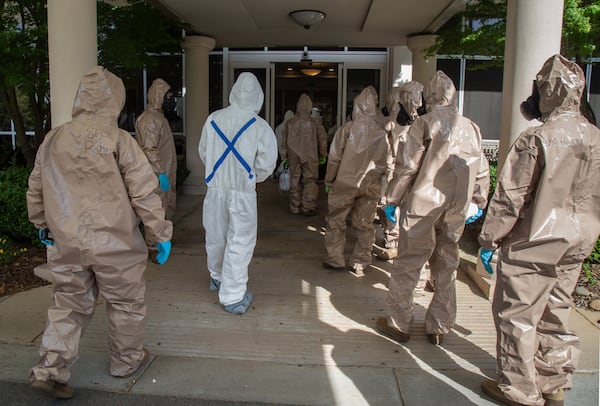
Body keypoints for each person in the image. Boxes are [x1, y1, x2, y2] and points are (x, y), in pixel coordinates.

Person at [26, 66, 173, 399]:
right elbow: (144, 193)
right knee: (125, 304)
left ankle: (50, 368)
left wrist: (41, 224)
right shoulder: (120, 140)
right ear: (115, 100)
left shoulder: (54, 138)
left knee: (67, 304)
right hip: (116, 242)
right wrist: (160, 233)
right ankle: (126, 362)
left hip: (67, 239)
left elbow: (36, 186)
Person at [478, 54, 600, 406]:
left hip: (534, 242)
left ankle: (519, 389)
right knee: (558, 310)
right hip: (578, 241)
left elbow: (510, 197)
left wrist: (489, 239)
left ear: (545, 90)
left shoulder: (538, 138)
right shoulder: (595, 136)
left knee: (518, 316)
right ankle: (554, 381)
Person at [375, 70, 489, 346]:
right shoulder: (470, 126)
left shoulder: (423, 124)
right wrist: (478, 200)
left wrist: (391, 201)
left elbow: (407, 168)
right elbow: (481, 168)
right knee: (447, 264)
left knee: (408, 264)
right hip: (457, 207)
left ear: (429, 96)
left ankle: (399, 323)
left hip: (422, 205)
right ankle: (439, 325)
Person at [199, 72, 277, 315]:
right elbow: (266, 163)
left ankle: (218, 278)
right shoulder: (260, 126)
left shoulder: (213, 120)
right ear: (258, 97)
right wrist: (253, 178)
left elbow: (203, 152)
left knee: (216, 235)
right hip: (242, 192)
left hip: (215, 190)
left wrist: (216, 174)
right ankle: (232, 296)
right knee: (239, 241)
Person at [323, 86, 391, 276]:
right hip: (370, 184)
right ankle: (360, 262)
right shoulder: (381, 132)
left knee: (336, 221)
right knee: (365, 224)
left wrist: (329, 180)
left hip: (345, 183)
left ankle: (335, 258)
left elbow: (334, 158)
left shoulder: (348, 129)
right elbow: (386, 162)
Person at [374, 82, 424, 261]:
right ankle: (396, 242)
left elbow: (383, 152)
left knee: (392, 207)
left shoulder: (391, 123)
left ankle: (394, 241)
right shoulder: (425, 122)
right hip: (411, 175)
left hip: (398, 173)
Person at [135, 78, 177, 248]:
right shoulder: (149, 120)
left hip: (162, 174)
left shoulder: (157, 117)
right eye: (168, 97)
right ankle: (153, 246)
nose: (171, 101)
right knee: (155, 211)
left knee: (163, 209)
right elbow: (149, 149)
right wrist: (160, 173)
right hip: (156, 176)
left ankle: (161, 240)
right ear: (158, 96)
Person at [280, 93, 328, 215]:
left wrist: (284, 156)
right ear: (310, 106)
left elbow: (283, 141)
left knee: (294, 179)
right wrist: (323, 154)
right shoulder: (315, 122)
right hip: (310, 155)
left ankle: (295, 207)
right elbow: (322, 140)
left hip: (293, 155)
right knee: (310, 180)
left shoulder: (290, 122)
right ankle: (308, 206)